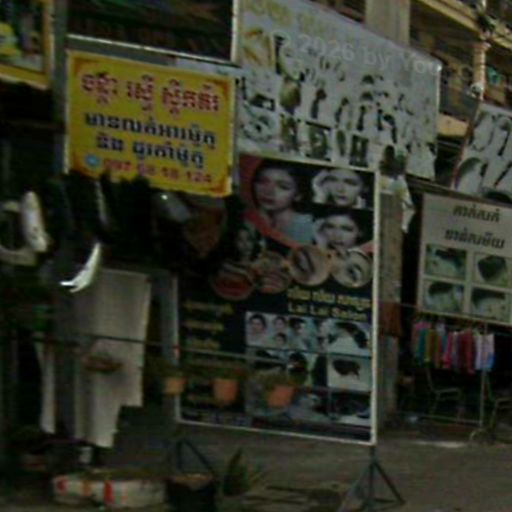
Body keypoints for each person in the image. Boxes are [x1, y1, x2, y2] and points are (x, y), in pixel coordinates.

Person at [248, 162, 312, 245]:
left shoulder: (307, 226)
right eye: (262, 181)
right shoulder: (251, 218)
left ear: (298, 195)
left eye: (283, 187)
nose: (268, 191)